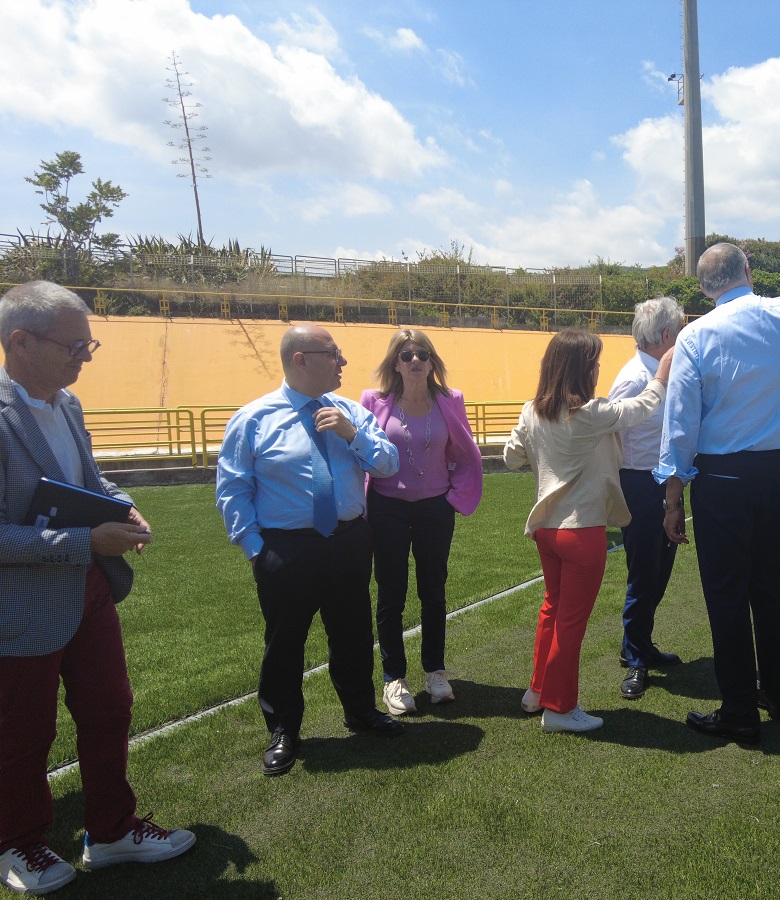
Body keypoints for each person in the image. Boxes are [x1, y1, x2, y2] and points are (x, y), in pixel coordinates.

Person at [0, 281, 194, 896]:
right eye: (74, 346)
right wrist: (87, 544)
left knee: (110, 709)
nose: (85, 357)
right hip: (20, 607)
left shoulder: (67, 405)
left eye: (90, 345)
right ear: (19, 342)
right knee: (23, 730)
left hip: (88, 592)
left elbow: (88, 477)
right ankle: (17, 840)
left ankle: (110, 829)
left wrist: (124, 505)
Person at [216, 324, 404, 778]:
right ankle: (284, 729)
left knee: (354, 633)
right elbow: (233, 489)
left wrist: (351, 436)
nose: (341, 362)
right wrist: (255, 548)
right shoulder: (253, 418)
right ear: (301, 359)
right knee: (284, 643)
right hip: (287, 547)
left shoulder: (350, 412)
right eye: (332, 353)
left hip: (348, 541)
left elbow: (388, 463)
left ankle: (360, 709)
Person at [655, 242, 780, 745]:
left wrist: (672, 495)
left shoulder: (695, 335)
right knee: (770, 588)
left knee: (727, 595)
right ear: (749, 271)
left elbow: (680, 422)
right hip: (778, 470)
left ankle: (738, 709)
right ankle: (778, 693)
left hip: (723, 477)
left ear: (704, 288)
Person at [504, 328, 672, 733]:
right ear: (581, 369)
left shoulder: (532, 410)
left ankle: (538, 691)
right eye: (594, 362)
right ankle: (560, 709)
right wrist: (663, 371)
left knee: (552, 610)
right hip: (581, 531)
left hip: (546, 528)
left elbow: (511, 458)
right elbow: (645, 406)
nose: (598, 369)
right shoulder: (590, 413)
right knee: (569, 622)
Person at [360, 329, 483, 714]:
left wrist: (452, 498)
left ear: (432, 363)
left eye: (423, 355)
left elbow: (465, 453)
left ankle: (435, 672)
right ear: (395, 362)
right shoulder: (373, 401)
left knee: (433, 591)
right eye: (407, 354)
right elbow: (361, 451)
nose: (416, 361)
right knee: (391, 594)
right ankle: (394, 678)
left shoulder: (451, 400)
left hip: (434, 509)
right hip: (387, 509)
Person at [609, 297, 687, 701]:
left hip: (665, 483)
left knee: (660, 570)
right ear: (666, 335)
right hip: (640, 485)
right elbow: (612, 438)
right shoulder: (633, 377)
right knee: (644, 573)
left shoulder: (661, 369)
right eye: (680, 328)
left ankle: (638, 643)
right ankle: (636, 658)